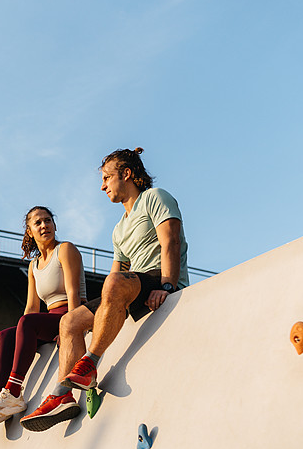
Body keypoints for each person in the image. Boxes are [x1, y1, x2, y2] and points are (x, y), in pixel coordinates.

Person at [20, 147, 188, 432]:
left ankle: (90, 364)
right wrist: (95, 314)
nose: (103, 185)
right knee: (69, 321)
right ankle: (62, 396)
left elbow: (170, 241)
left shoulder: (155, 198)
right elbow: (115, 275)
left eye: (108, 178)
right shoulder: (118, 228)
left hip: (157, 278)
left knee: (113, 283)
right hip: (131, 286)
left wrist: (168, 285)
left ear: (127, 174)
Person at [0, 205, 87, 432]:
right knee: (4, 335)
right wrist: (20, 335)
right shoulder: (34, 265)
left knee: (27, 323)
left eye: (48, 220)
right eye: (38, 223)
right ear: (30, 232)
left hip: (70, 315)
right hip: (49, 319)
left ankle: (14, 392)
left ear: (54, 224)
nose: (45, 226)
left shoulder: (65, 249)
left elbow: (73, 294)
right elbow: (32, 307)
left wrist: (73, 328)